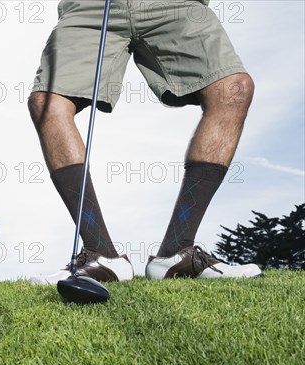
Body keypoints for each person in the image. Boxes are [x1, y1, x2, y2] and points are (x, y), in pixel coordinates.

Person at [28, 0, 263, 283]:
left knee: (233, 89)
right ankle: (101, 255)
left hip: (176, 5)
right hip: (92, 6)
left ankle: (177, 254)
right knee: (47, 102)